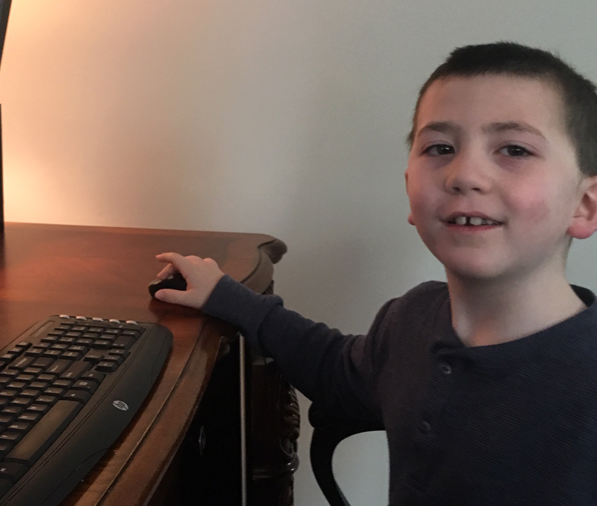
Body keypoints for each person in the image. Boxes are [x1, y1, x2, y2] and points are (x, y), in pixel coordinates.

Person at [154, 42, 597, 505]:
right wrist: (226, 295)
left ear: (584, 205)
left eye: (514, 149)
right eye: (440, 148)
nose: (465, 174)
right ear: (410, 190)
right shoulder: (410, 320)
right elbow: (332, 367)